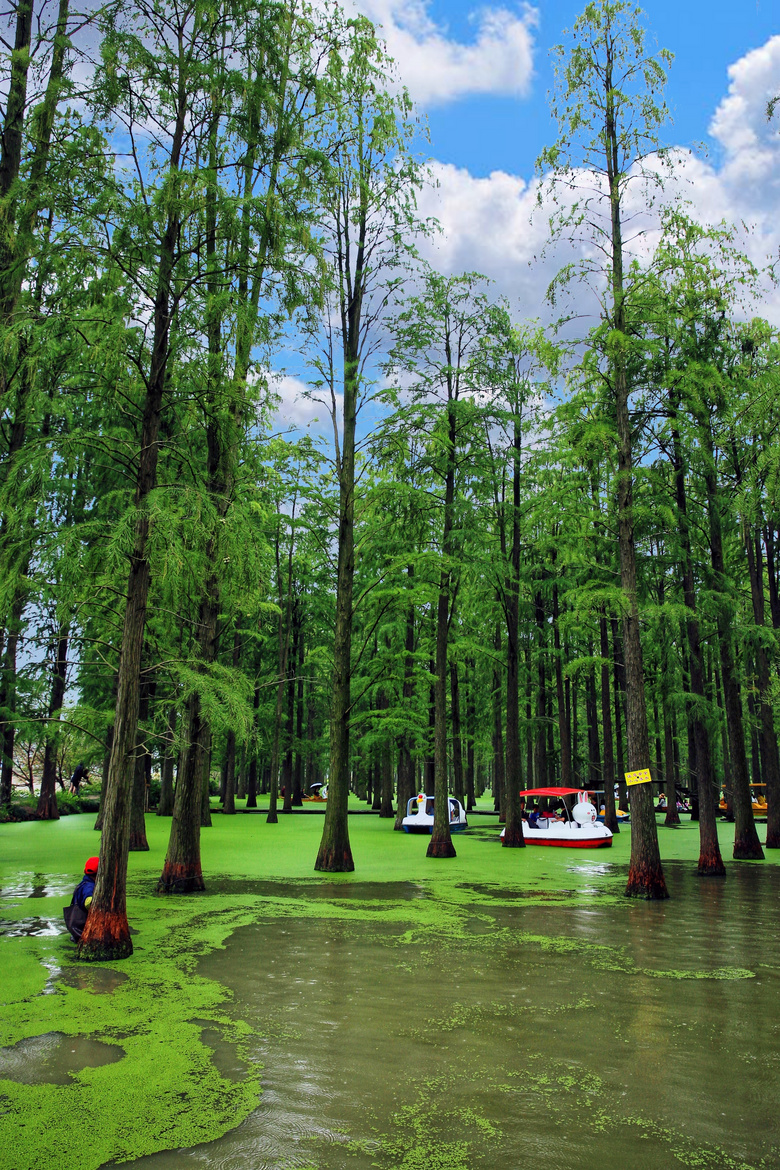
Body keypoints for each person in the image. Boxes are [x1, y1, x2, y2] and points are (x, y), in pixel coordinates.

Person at [64, 856, 99, 942]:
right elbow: (88, 903)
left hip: (77, 931)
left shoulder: (83, 883)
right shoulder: (89, 887)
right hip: (84, 932)